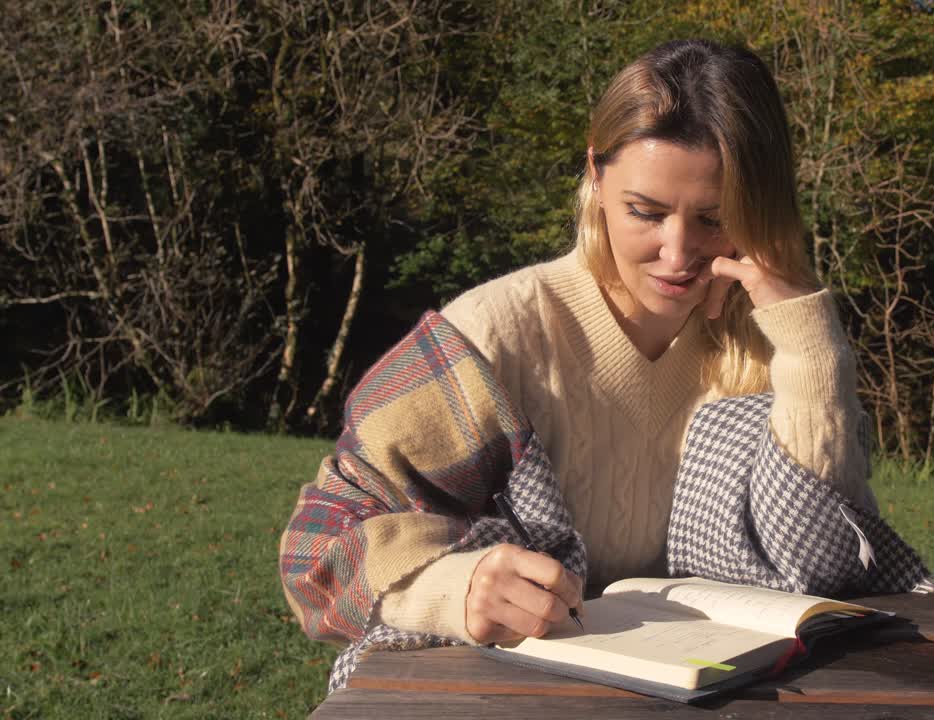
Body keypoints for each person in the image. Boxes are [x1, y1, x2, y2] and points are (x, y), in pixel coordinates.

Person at [281, 38, 877, 652]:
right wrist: (450, 587)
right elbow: (316, 553)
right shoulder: (494, 336)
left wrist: (808, 340)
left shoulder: (776, 342)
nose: (677, 254)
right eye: (645, 211)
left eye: (715, 218)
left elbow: (830, 568)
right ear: (595, 175)